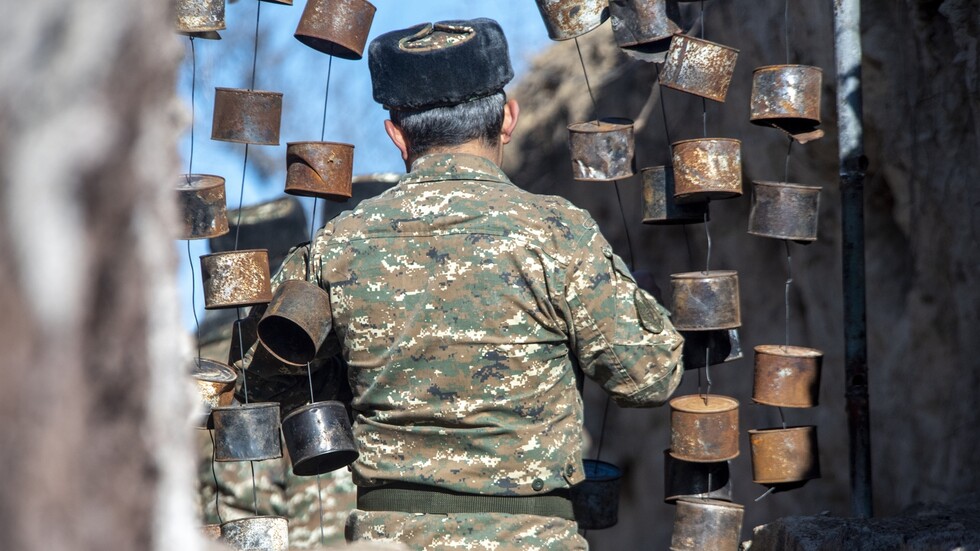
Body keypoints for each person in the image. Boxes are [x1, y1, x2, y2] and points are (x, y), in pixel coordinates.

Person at [239, 17, 684, 550]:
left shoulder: (336, 246)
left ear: (396, 135)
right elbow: (650, 378)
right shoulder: (557, 234)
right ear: (509, 118)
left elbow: (261, 381)